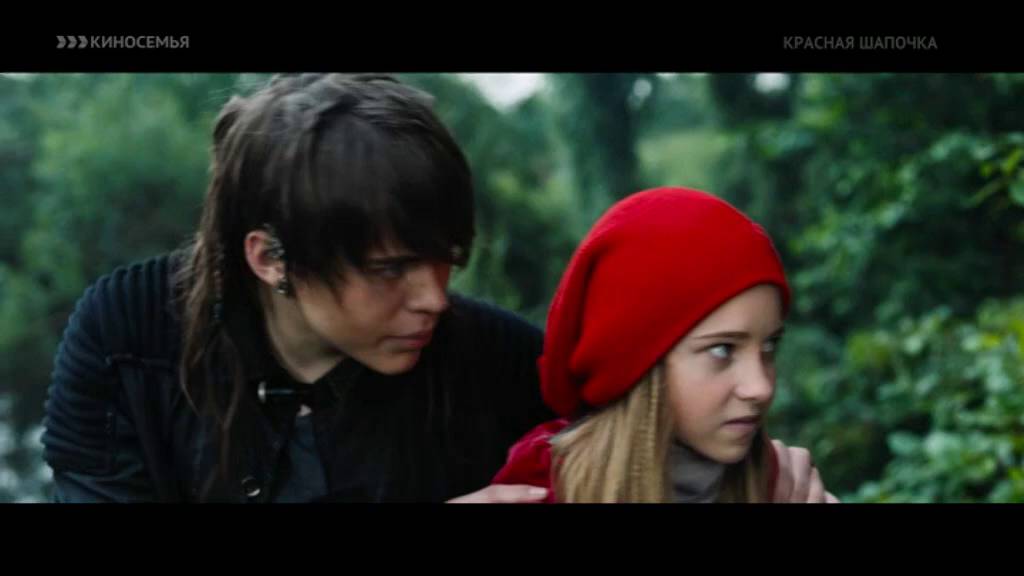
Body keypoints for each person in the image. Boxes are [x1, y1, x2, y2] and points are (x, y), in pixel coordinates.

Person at [42, 74, 830, 502]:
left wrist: (762, 476)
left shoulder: (498, 363)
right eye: (389, 269)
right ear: (270, 258)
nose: (433, 298)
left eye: (446, 257)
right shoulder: (126, 338)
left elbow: (636, 439)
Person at [492, 187, 839, 503]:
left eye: (769, 347)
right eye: (722, 350)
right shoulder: (539, 490)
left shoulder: (785, 489)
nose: (760, 387)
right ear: (637, 366)